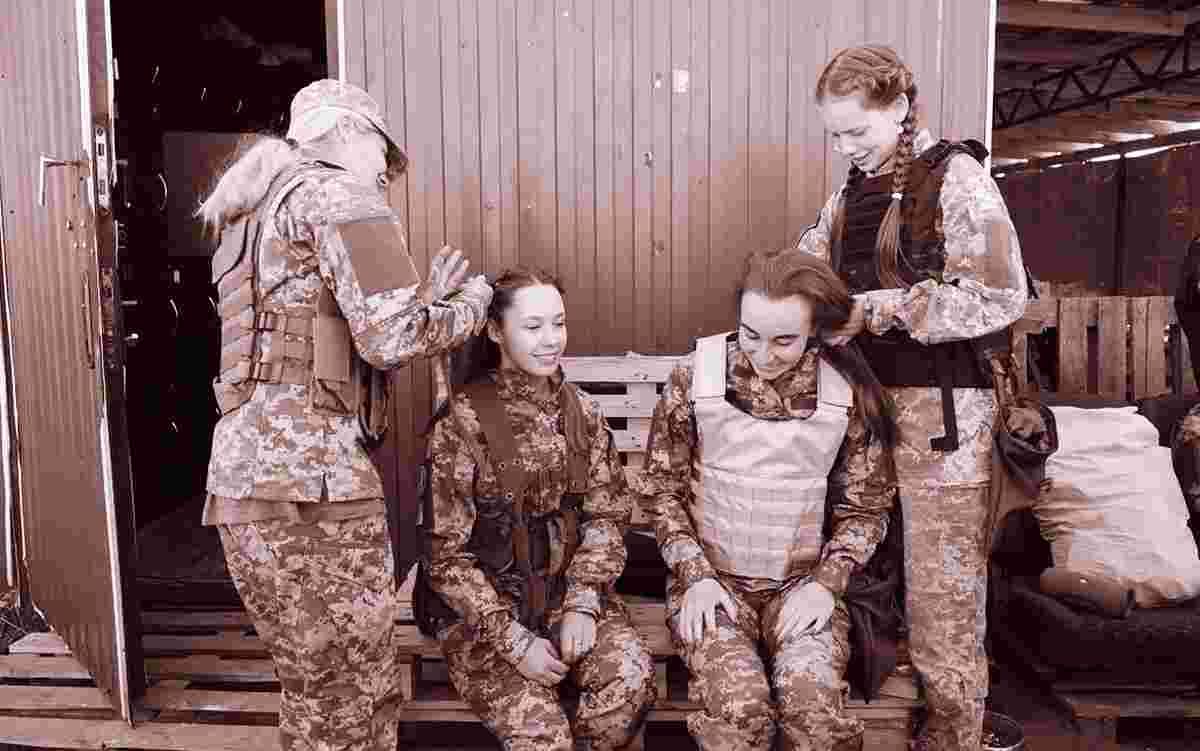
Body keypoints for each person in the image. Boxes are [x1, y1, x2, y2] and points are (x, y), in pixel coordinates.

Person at [196, 79, 493, 751]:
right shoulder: (340, 195)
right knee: (358, 695)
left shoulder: (254, 214)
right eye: (384, 156)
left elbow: (315, 340)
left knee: (312, 690)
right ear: (349, 132)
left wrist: (421, 302)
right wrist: (472, 306)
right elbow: (391, 338)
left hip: (245, 489)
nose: (386, 175)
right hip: (316, 494)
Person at [797, 45, 1030, 751]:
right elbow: (805, 271)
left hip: (944, 424)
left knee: (943, 601)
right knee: (865, 573)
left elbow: (1000, 294)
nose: (845, 146)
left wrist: (877, 309)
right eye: (835, 133)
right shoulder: (850, 196)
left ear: (898, 108)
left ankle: (956, 736)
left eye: (856, 130)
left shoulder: (957, 178)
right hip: (866, 413)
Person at [641, 249, 899, 751]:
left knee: (813, 707)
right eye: (751, 334)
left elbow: (866, 509)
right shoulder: (696, 377)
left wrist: (827, 584)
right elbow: (661, 490)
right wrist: (694, 576)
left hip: (801, 587)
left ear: (815, 330)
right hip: (713, 587)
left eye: (785, 340)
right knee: (741, 710)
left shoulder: (842, 390)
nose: (764, 355)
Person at [416, 268, 657, 750]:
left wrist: (583, 604)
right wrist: (513, 642)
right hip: (486, 617)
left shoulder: (582, 413)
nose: (551, 340)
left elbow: (607, 517)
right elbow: (445, 557)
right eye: (533, 327)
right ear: (495, 331)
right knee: (543, 738)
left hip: (567, 598)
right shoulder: (461, 425)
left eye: (559, 323)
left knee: (629, 685)